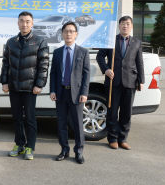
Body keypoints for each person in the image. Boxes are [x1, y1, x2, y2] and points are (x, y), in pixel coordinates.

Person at [0, 11, 49, 160]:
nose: (24, 24)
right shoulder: (11, 42)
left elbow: (44, 65)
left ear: (32, 23)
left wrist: (39, 84)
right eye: (22, 21)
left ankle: (30, 147)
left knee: (30, 118)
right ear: (18, 23)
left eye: (27, 21)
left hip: (30, 87)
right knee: (16, 118)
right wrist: (4, 82)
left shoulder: (40, 41)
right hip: (14, 86)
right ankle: (19, 144)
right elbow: (5, 63)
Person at [96, 16, 144, 150]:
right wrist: (106, 69)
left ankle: (123, 138)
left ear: (131, 26)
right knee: (112, 112)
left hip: (130, 82)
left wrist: (141, 80)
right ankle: (112, 138)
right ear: (119, 26)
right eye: (123, 24)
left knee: (126, 112)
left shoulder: (136, 42)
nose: (125, 26)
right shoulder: (111, 40)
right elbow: (100, 56)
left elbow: (139, 62)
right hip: (113, 82)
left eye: (128, 24)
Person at [49, 21, 90, 164]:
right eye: (66, 31)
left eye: (71, 31)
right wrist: (52, 90)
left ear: (76, 34)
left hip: (77, 94)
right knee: (61, 124)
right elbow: (53, 73)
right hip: (61, 93)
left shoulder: (83, 52)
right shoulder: (57, 52)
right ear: (62, 34)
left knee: (78, 124)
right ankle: (64, 150)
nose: (68, 34)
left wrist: (84, 93)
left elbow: (86, 74)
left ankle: (79, 151)